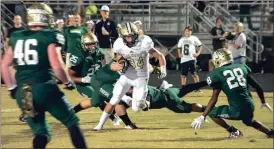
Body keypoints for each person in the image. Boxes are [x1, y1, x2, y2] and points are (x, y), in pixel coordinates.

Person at [1, 3, 87, 148]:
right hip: (44, 87)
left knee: (41, 133)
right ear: (45, 18)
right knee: (71, 122)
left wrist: (12, 88)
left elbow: (4, 65)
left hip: (24, 92)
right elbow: (57, 65)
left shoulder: (17, 36)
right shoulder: (50, 35)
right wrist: (67, 82)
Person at [93, 22, 166, 130]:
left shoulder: (144, 42)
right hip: (126, 76)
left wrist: (163, 69)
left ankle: (142, 102)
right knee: (113, 100)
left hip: (141, 78)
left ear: (136, 35)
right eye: (127, 36)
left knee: (136, 108)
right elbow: (119, 55)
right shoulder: (119, 44)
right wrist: (121, 62)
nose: (129, 39)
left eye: (131, 36)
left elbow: (160, 55)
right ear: (122, 36)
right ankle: (99, 125)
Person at [191, 48, 274, 138]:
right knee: (248, 121)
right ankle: (270, 132)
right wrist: (263, 101)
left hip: (237, 109)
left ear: (218, 60)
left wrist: (203, 116)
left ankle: (234, 131)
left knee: (211, 112)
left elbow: (214, 99)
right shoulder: (241, 67)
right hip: (250, 104)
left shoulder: (217, 73)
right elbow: (257, 87)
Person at [68, 32, 123, 126]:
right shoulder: (79, 56)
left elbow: (104, 68)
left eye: (93, 43)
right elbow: (70, 76)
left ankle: (71, 113)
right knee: (98, 97)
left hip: (96, 80)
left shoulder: (100, 53)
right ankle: (113, 116)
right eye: (89, 44)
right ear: (83, 45)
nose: (92, 46)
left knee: (107, 95)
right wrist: (83, 80)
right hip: (83, 85)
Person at [73, 58, 139, 129]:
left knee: (94, 102)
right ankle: (128, 123)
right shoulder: (119, 61)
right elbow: (114, 66)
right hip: (99, 82)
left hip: (103, 81)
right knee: (117, 99)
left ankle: (72, 112)